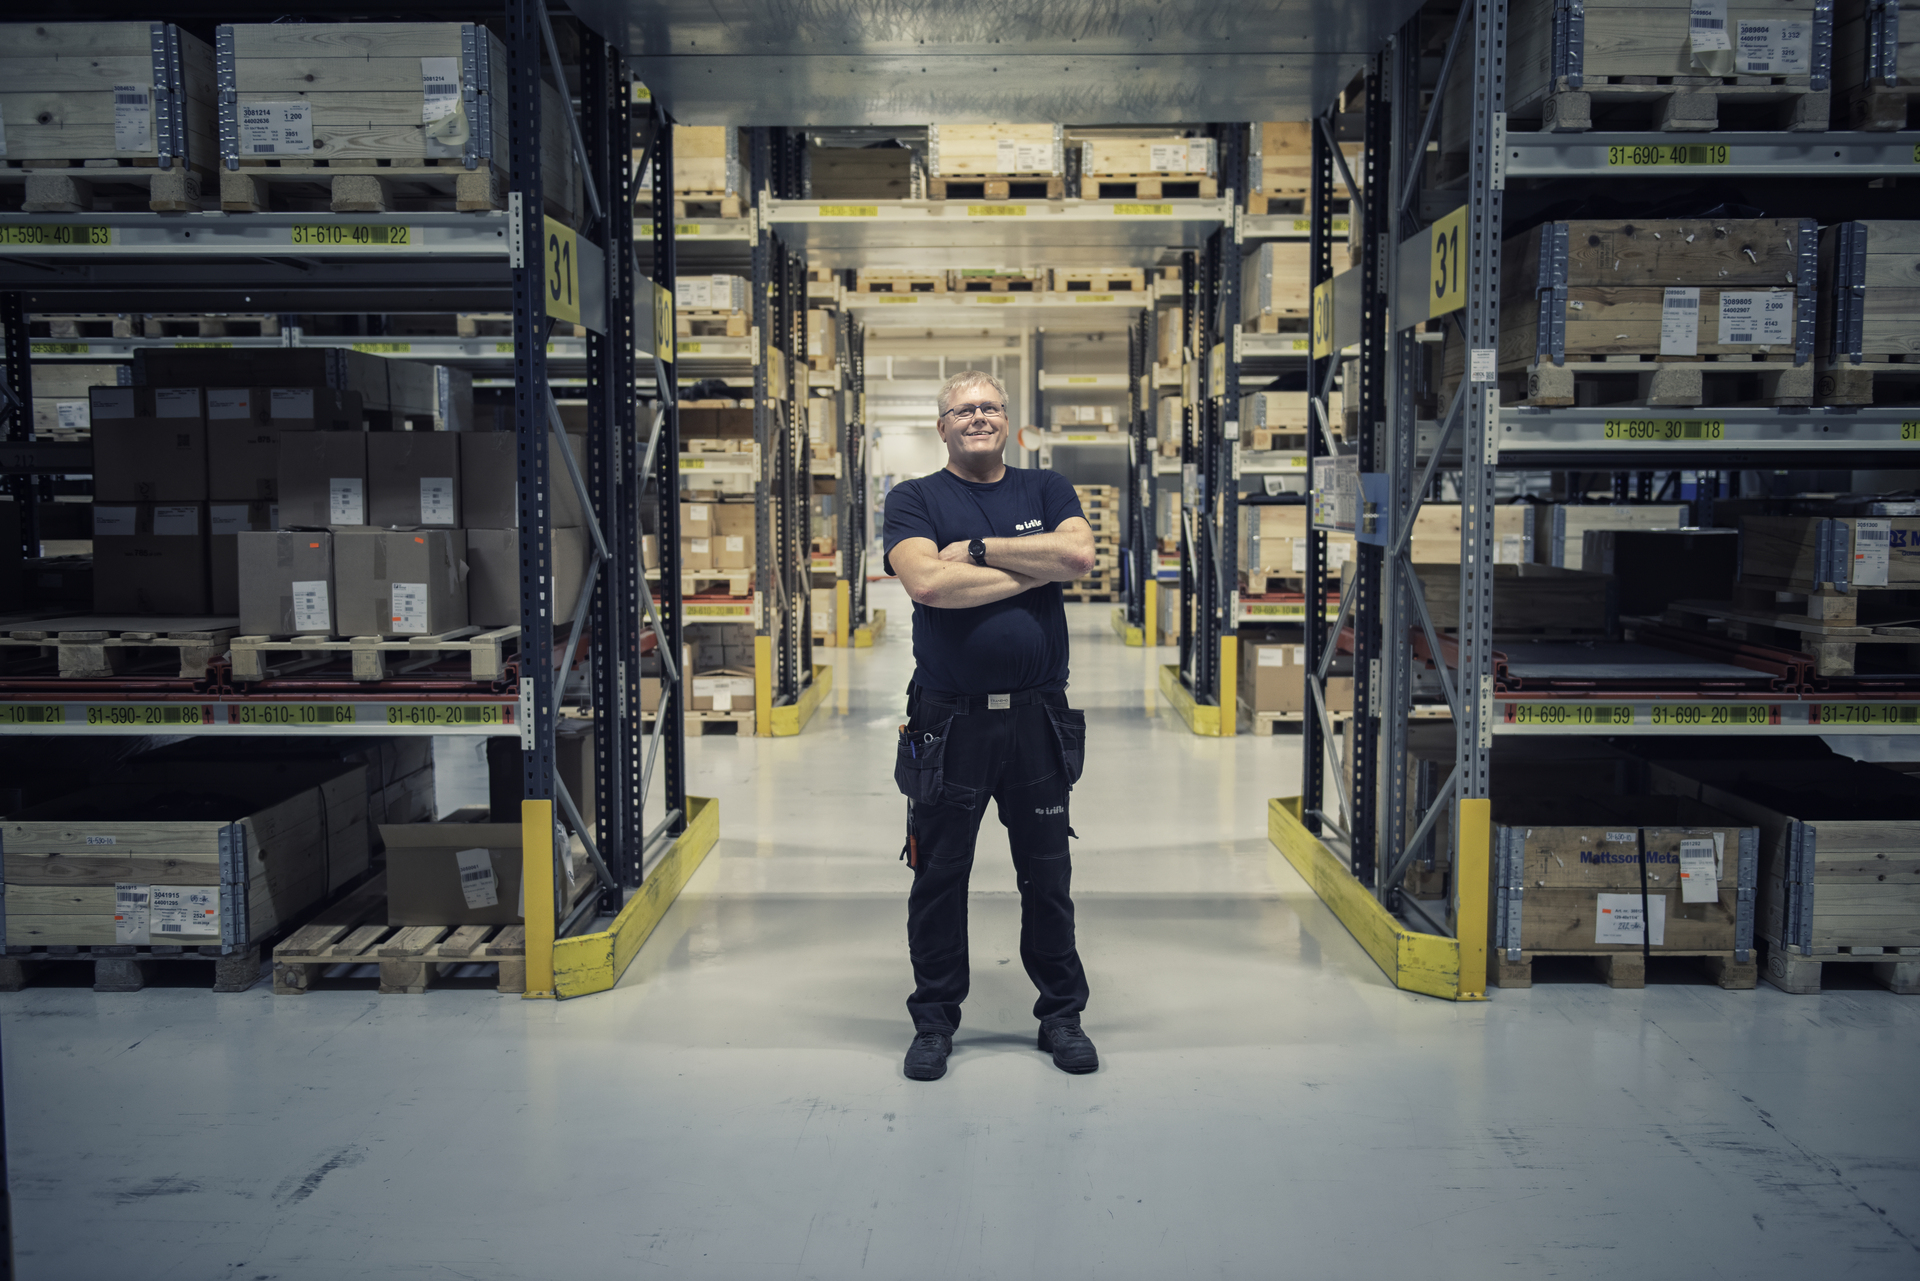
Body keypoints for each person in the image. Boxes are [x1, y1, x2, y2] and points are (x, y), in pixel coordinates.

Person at [882, 369, 1100, 1082]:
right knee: (939, 875)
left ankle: (1061, 1015)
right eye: (963, 409)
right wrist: (1037, 567)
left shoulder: (1046, 487)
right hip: (949, 723)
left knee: (1048, 874)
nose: (978, 417)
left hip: (1038, 717)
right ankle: (935, 1019)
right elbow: (926, 585)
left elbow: (1079, 556)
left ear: (1008, 420)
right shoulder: (914, 499)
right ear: (941, 425)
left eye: (989, 407)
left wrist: (977, 550)